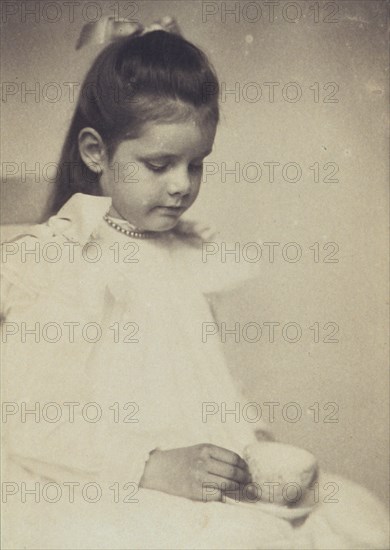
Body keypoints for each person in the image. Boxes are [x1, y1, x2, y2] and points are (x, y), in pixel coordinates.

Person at [1, 19, 388, 550]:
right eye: (158, 164)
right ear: (96, 153)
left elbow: (204, 381)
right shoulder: (65, 261)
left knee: (347, 516)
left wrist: (250, 442)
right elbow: (29, 420)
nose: (182, 185)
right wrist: (153, 465)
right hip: (106, 481)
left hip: (195, 481)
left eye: (196, 164)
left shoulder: (185, 253)